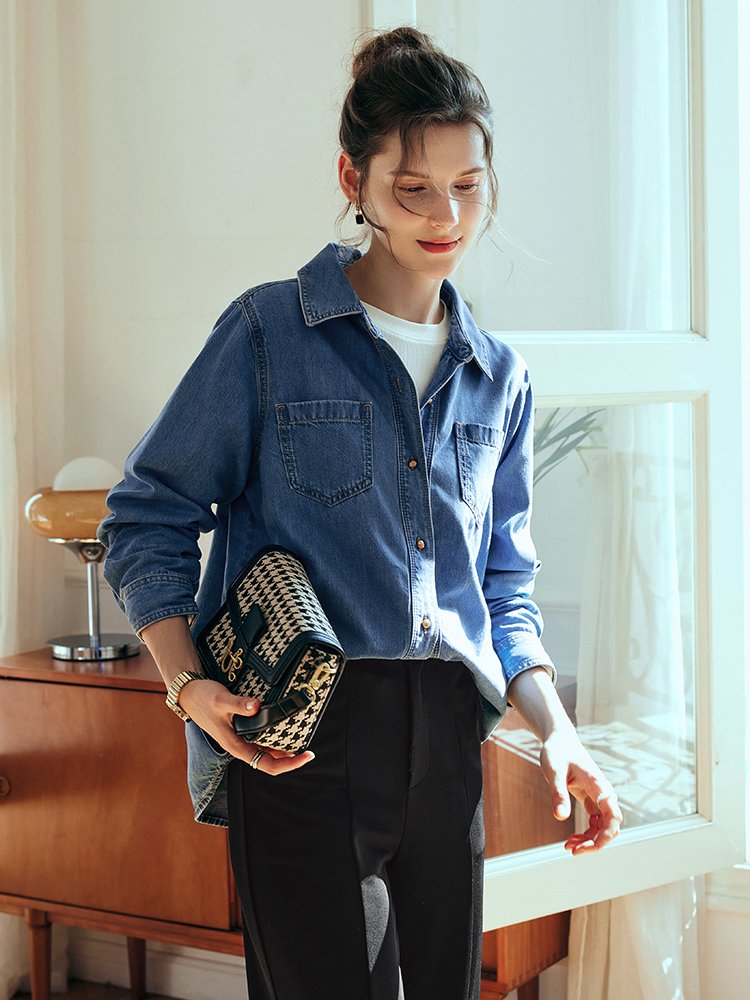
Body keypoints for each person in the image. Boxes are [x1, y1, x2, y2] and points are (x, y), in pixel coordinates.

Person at [97, 25, 622, 1000]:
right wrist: (185, 683)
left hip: (448, 743)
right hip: (307, 733)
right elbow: (146, 513)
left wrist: (558, 732)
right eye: (413, 188)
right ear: (355, 180)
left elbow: (505, 586)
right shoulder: (269, 333)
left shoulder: (498, 377)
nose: (446, 215)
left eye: (468, 185)